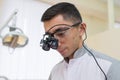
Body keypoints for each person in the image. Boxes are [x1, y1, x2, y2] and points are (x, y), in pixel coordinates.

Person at [40, 2, 120, 80]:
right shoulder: (55, 72)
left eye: (61, 33)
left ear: (81, 29)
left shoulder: (110, 67)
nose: (57, 44)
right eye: (50, 37)